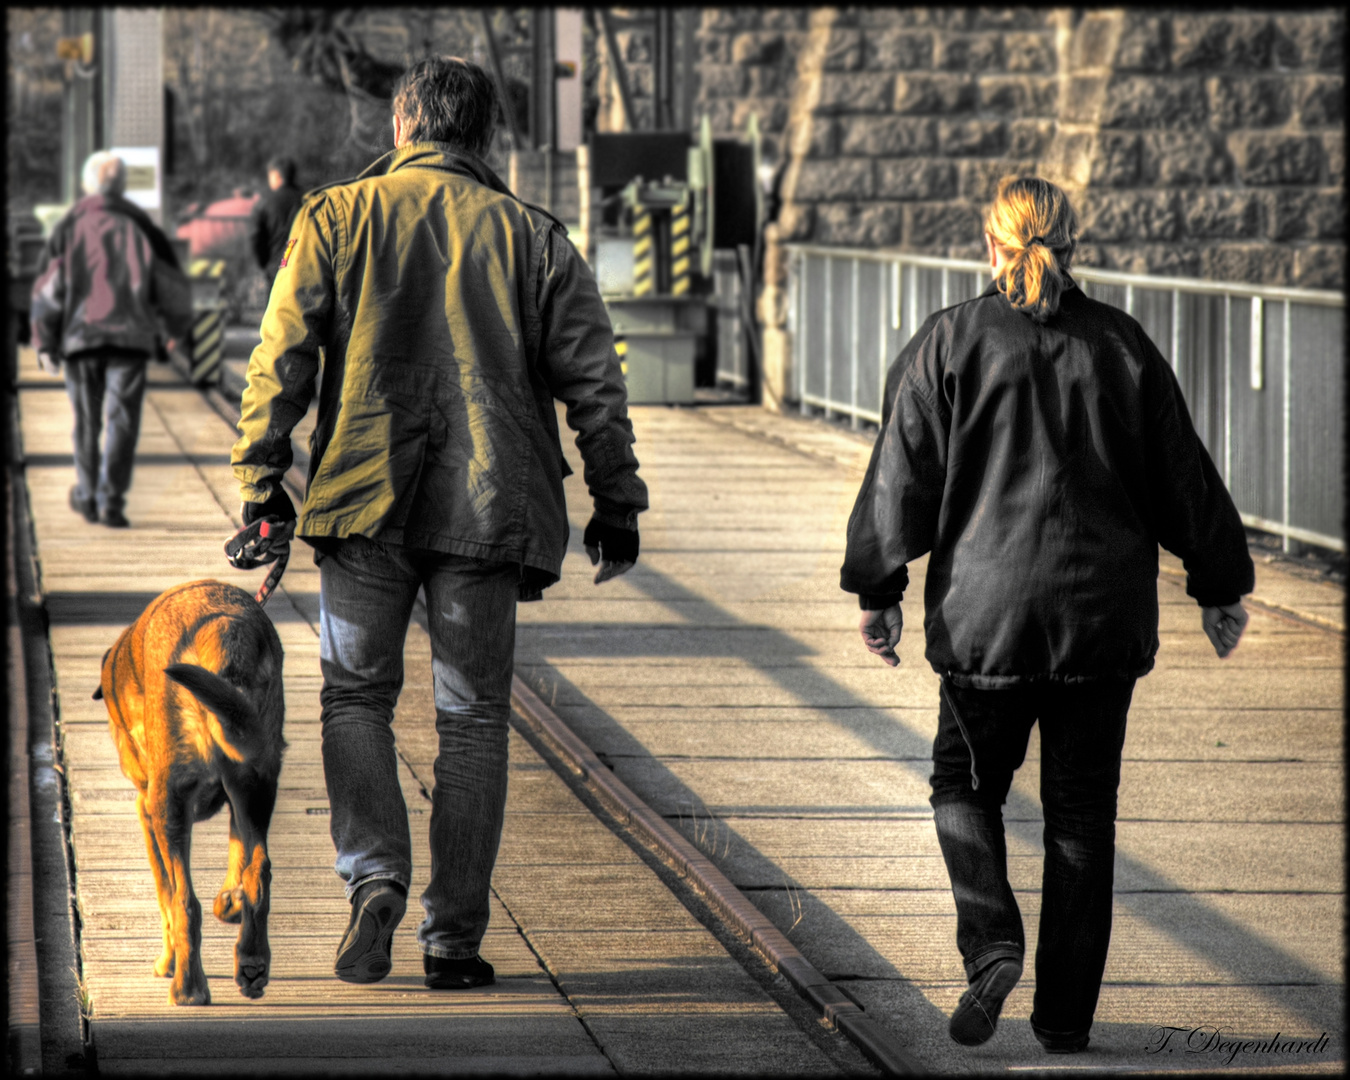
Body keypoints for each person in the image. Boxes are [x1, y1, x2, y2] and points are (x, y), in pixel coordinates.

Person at [230, 57, 647, 991]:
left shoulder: (336, 217)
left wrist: (262, 483)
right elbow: (595, 380)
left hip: (364, 494)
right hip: (490, 503)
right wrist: (615, 497)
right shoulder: (534, 238)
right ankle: (452, 941)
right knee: (472, 721)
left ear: (401, 127)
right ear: (485, 136)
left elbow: (280, 355)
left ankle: (374, 876)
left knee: (354, 698)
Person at [840, 176, 1254, 1054]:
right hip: (1100, 627)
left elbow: (900, 479)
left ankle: (992, 941)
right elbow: (1184, 478)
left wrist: (880, 591)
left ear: (991, 247)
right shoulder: (1124, 346)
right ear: (1071, 246)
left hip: (986, 622)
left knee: (963, 785)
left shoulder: (949, 342)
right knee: (1080, 814)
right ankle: (1065, 1018)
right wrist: (1218, 585)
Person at [30, 151, 192, 528]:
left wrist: (44, 340)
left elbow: (49, 291)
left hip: (80, 339)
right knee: (122, 421)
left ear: (89, 185)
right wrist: (176, 328)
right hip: (131, 340)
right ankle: (112, 501)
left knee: (86, 422)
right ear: (121, 187)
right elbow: (172, 285)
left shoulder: (69, 227)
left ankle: (87, 495)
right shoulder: (143, 227)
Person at [246, 156, 305, 286]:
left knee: (276, 305)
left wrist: (264, 263)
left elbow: (255, 237)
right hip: (305, 266)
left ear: (276, 176)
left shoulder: (264, 203)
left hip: (276, 268)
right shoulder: (307, 199)